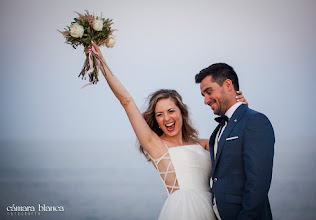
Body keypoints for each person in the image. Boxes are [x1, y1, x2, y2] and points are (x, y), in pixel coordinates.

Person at [85, 42, 247, 219]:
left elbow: (236, 149)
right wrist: (100, 61)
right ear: (156, 121)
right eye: (160, 115)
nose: (167, 118)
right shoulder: (157, 146)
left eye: (171, 111)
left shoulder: (204, 144)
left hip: (213, 211)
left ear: (181, 113)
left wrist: (240, 110)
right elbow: (127, 101)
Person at [195, 63, 275, 220]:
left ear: (227, 85)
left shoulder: (255, 121)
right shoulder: (218, 130)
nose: (205, 101)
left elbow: (258, 184)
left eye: (208, 92)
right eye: (203, 95)